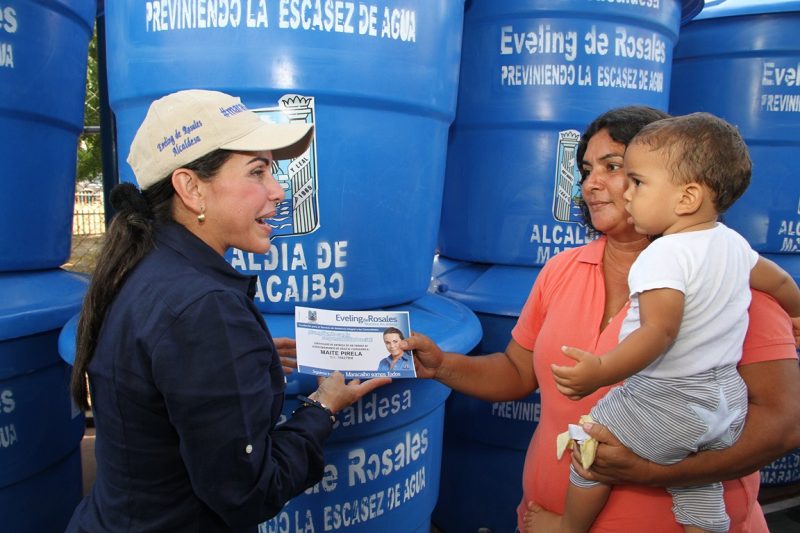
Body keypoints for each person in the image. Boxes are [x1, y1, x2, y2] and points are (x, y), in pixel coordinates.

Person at [404, 106, 800, 532]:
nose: (590, 183)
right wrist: (443, 365)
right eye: (586, 168)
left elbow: (783, 425)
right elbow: (518, 372)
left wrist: (651, 473)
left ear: (678, 183)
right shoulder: (563, 270)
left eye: (614, 167)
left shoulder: (727, 281)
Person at [66, 89, 389, 532]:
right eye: (257, 171)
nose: (278, 192)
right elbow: (250, 492)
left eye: (273, 170)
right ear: (191, 188)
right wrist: (324, 406)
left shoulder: (144, 266)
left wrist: (236, 365)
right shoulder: (203, 309)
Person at [540, 113, 800, 533]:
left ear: (686, 197)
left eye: (633, 180)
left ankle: (568, 526)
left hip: (672, 399)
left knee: (590, 440)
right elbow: (783, 280)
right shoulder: (734, 246)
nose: (624, 194)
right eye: (586, 170)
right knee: (698, 486)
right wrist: (797, 312)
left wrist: (600, 372)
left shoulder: (662, 256)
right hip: (723, 405)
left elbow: (659, 332)